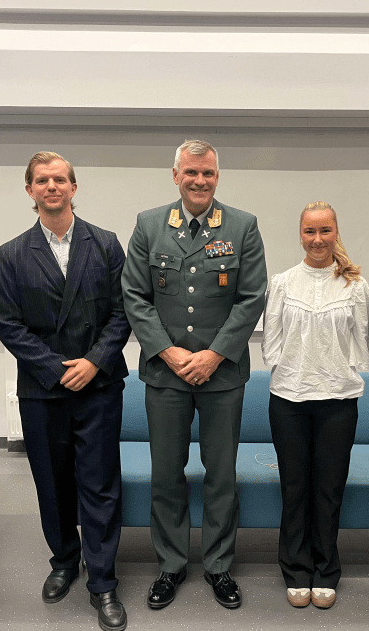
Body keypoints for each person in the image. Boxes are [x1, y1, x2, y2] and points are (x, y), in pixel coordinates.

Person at [121, 139, 266, 611]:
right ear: (176, 175)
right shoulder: (149, 225)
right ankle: (171, 564)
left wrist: (214, 355)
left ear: (217, 177)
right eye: (191, 172)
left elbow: (251, 298)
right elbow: (135, 295)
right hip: (166, 374)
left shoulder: (242, 226)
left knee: (221, 474)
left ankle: (219, 565)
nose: (199, 180)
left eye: (207, 173)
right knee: (166, 473)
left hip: (221, 375)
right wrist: (168, 352)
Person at [0, 152, 131, 631]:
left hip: (99, 385)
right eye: (42, 180)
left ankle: (104, 581)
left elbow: (124, 312)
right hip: (42, 389)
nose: (51, 186)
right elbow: (8, 324)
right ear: (29, 190)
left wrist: (93, 362)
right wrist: (56, 369)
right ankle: (65, 560)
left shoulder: (106, 243)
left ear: (73, 187)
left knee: (99, 482)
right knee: (51, 483)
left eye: (59, 179)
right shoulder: (12, 253)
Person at [262, 201, 369, 610]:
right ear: (300, 234)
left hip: (338, 400)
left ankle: (326, 570)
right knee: (295, 488)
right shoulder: (282, 283)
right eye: (310, 231)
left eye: (325, 230)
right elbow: (271, 344)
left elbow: (361, 344)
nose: (318, 239)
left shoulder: (355, 286)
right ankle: (296, 569)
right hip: (288, 399)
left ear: (336, 232)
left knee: (328, 489)